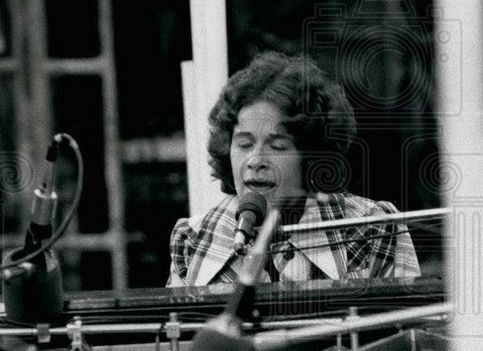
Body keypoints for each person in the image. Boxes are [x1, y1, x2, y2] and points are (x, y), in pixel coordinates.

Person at [167, 51, 420, 286]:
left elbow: (410, 332)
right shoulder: (191, 238)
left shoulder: (373, 227)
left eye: (277, 146)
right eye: (244, 144)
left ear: (311, 156)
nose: (255, 160)